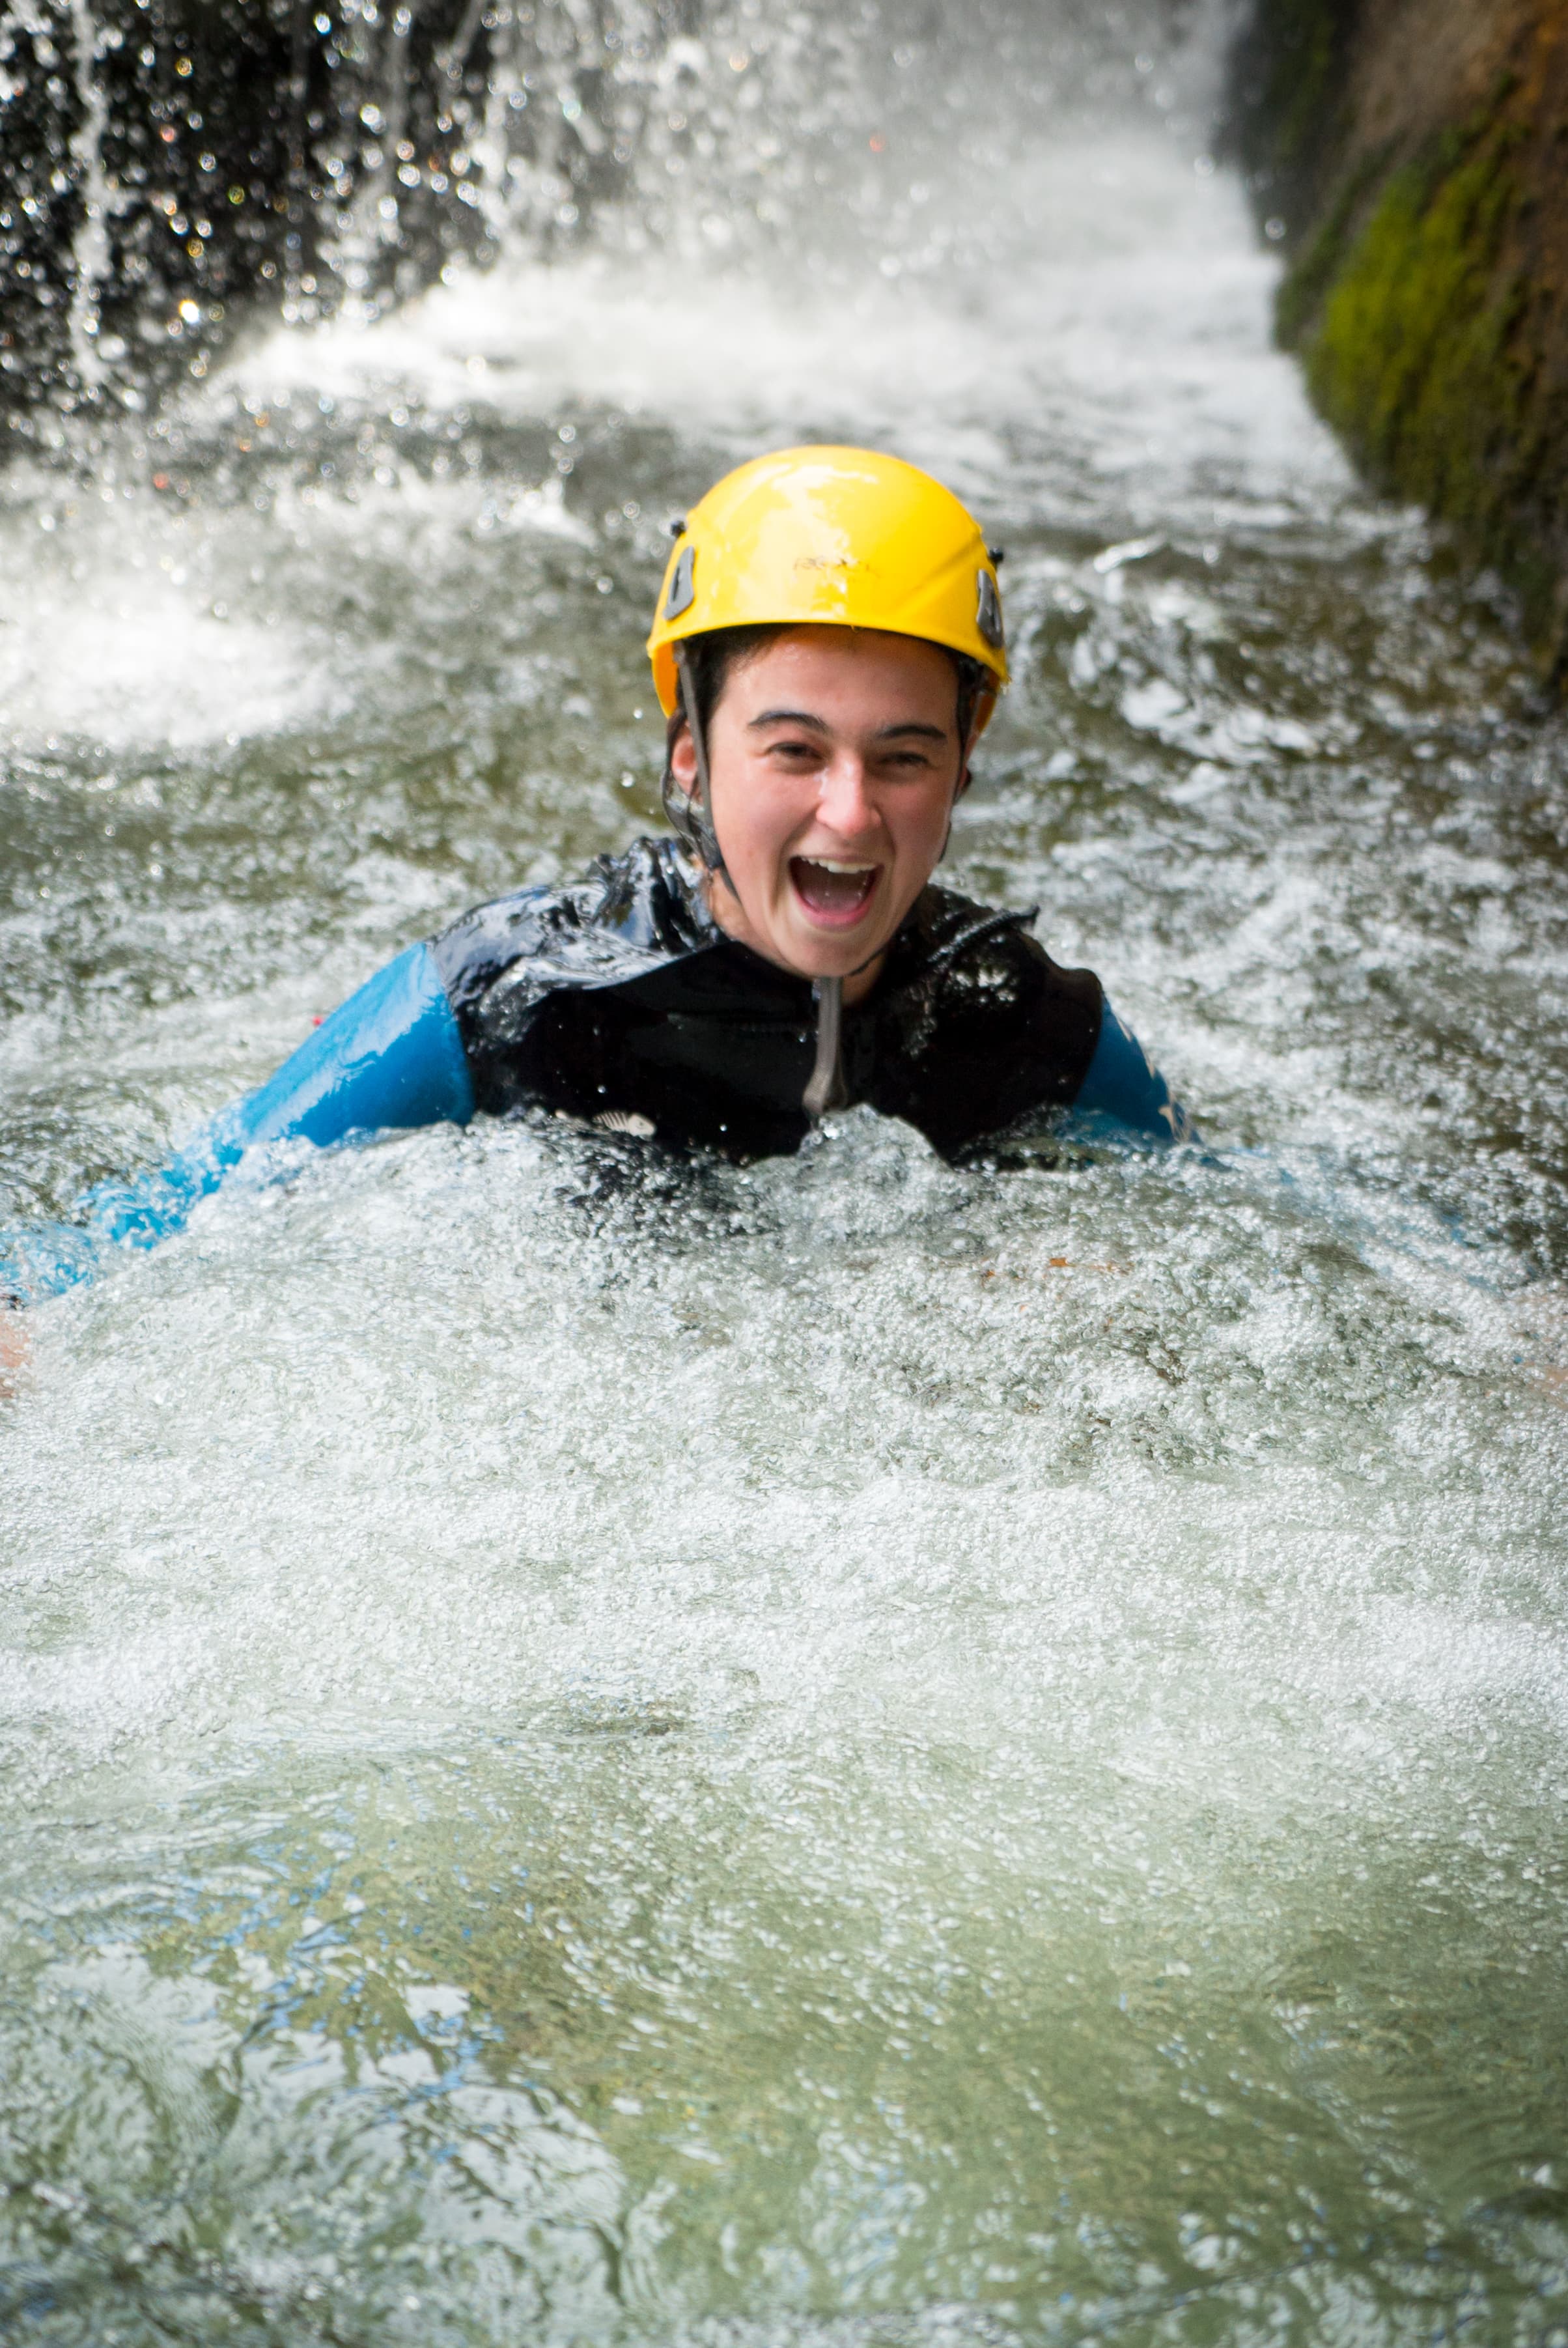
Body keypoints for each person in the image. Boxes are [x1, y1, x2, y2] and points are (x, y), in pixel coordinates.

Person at [1, 445, 1188, 1308]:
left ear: (965, 764)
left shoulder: (1014, 1011)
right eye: (792, 751)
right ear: (689, 756)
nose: (849, 809)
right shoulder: (525, 989)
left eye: (905, 757)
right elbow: (180, 1208)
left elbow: (1241, 1201)